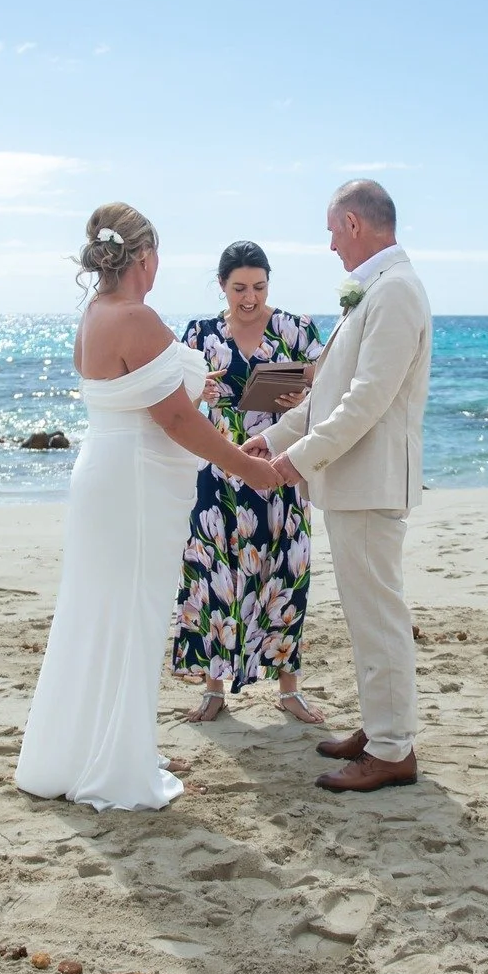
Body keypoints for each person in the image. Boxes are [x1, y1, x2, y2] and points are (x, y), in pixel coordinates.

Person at [14, 204, 282, 812]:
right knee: (129, 619)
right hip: (133, 484)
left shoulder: (96, 314)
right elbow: (177, 419)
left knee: (97, 614)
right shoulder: (136, 316)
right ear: (144, 257)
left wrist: (195, 386)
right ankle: (113, 763)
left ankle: (83, 749)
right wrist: (252, 470)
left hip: (106, 476)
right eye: (157, 255)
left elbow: (142, 392)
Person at [246, 180, 432, 793]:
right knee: (364, 613)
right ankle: (381, 729)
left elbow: (367, 402)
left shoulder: (397, 292)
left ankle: (392, 749)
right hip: (354, 483)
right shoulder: (374, 292)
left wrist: (296, 461)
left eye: (331, 231)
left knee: (379, 615)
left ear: (354, 224)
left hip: (373, 484)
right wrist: (272, 440)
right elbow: (328, 393)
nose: (329, 245)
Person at [174, 241, 329, 725]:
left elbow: (328, 390)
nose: (250, 298)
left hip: (280, 467)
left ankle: (288, 691)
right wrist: (196, 391)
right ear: (222, 286)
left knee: (285, 570)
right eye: (239, 288)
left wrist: (298, 401)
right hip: (218, 469)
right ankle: (214, 688)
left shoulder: (295, 328)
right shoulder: (199, 334)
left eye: (259, 287)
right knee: (213, 574)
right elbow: (179, 407)